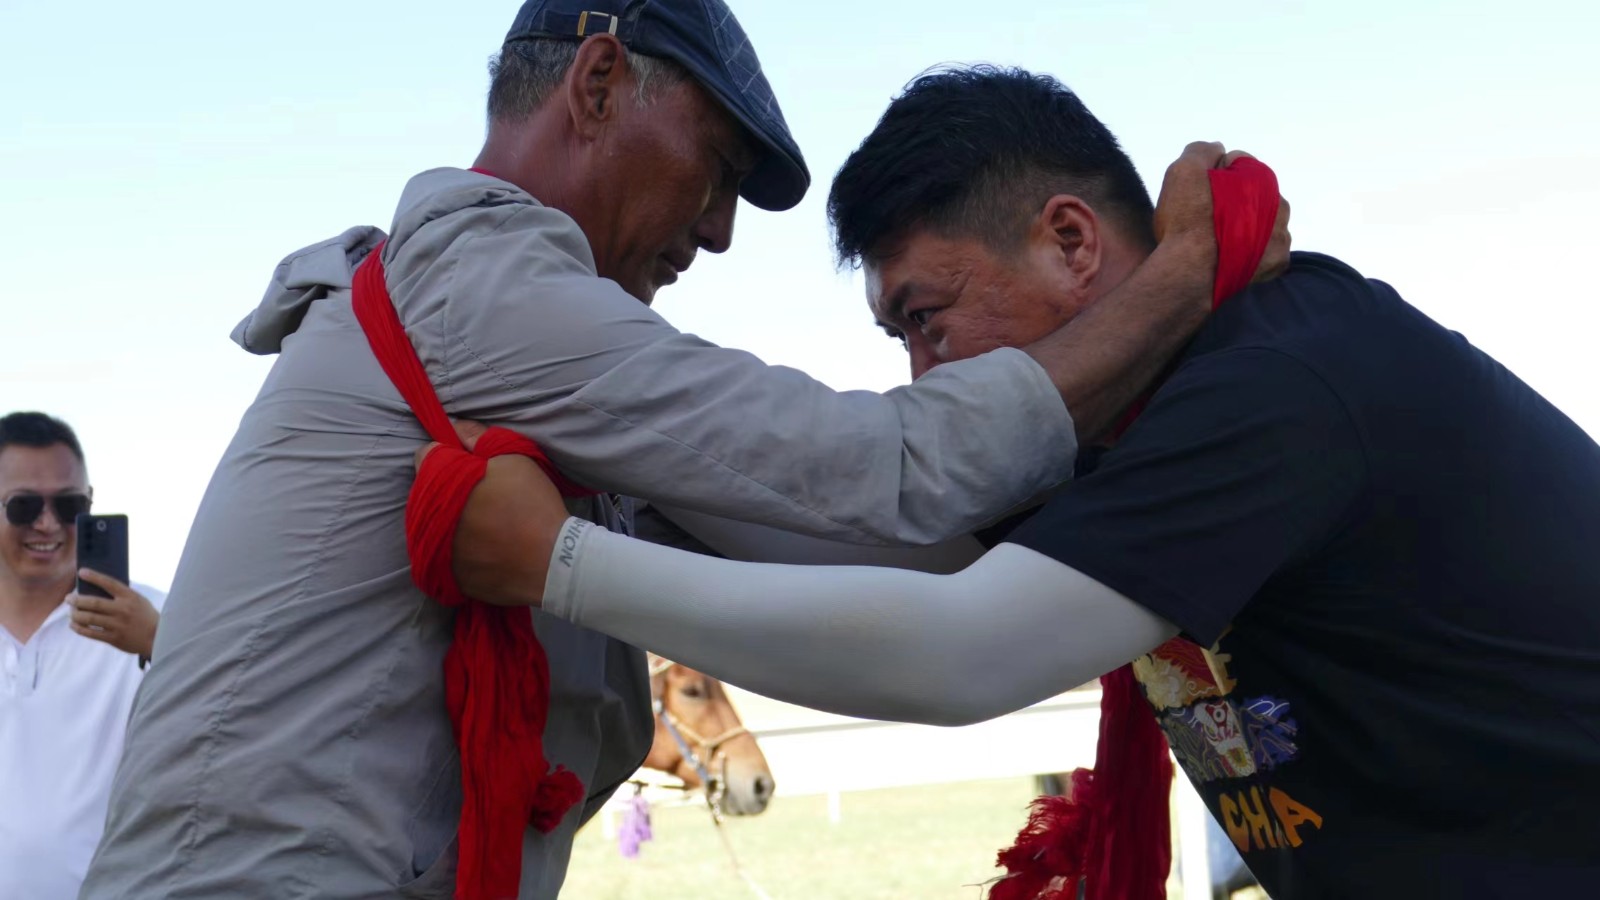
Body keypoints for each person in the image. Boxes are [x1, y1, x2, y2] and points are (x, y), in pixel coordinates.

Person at [81, 3, 1289, 899]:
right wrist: (1182, 279)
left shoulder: (520, 357)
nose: (714, 232)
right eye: (713, 171)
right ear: (598, 81)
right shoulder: (483, 288)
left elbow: (886, 549)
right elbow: (889, 472)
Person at [439, 66, 1600, 898]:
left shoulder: (1277, 374)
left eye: (927, 321)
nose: (920, 377)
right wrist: (629, 488)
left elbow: (960, 649)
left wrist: (563, 563)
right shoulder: (1122, 431)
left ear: (1070, 241)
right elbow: (893, 562)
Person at [0, 411, 163, 900]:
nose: (47, 524)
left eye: (70, 504)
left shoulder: (155, 618)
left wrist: (164, 645)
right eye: (23, 505)